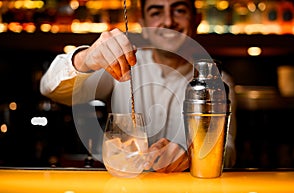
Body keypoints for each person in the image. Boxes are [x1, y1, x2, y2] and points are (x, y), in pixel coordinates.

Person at [40, 0, 236, 172]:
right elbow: (52, 89)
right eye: (156, 12)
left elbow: (227, 152)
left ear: (197, 19)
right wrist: (85, 59)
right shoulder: (123, 64)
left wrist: (193, 156)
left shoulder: (218, 83)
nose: (168, 21)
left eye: (179, 10)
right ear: (142, 23)